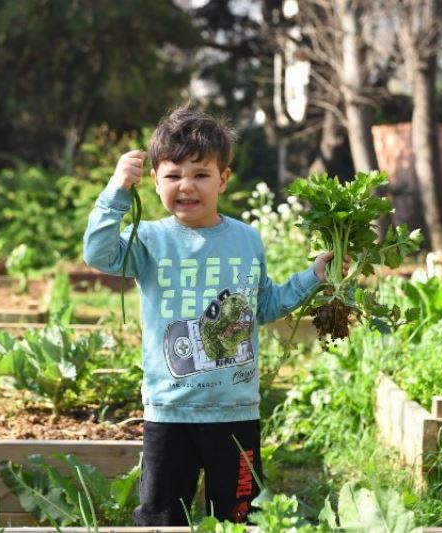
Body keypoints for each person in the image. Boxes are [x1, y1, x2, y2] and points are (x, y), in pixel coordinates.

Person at [83, 105, 343, 526]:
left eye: (200, 175)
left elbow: (265, 307)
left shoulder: (246, 239)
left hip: (235, 411)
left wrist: (314, 276)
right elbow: (97, 253)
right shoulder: (149, 239)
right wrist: (115, 190)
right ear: (154, 180)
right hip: (169, 412)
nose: (186, 186)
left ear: (223, 179)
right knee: (162, 517)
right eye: (172, 176)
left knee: (239, 516)